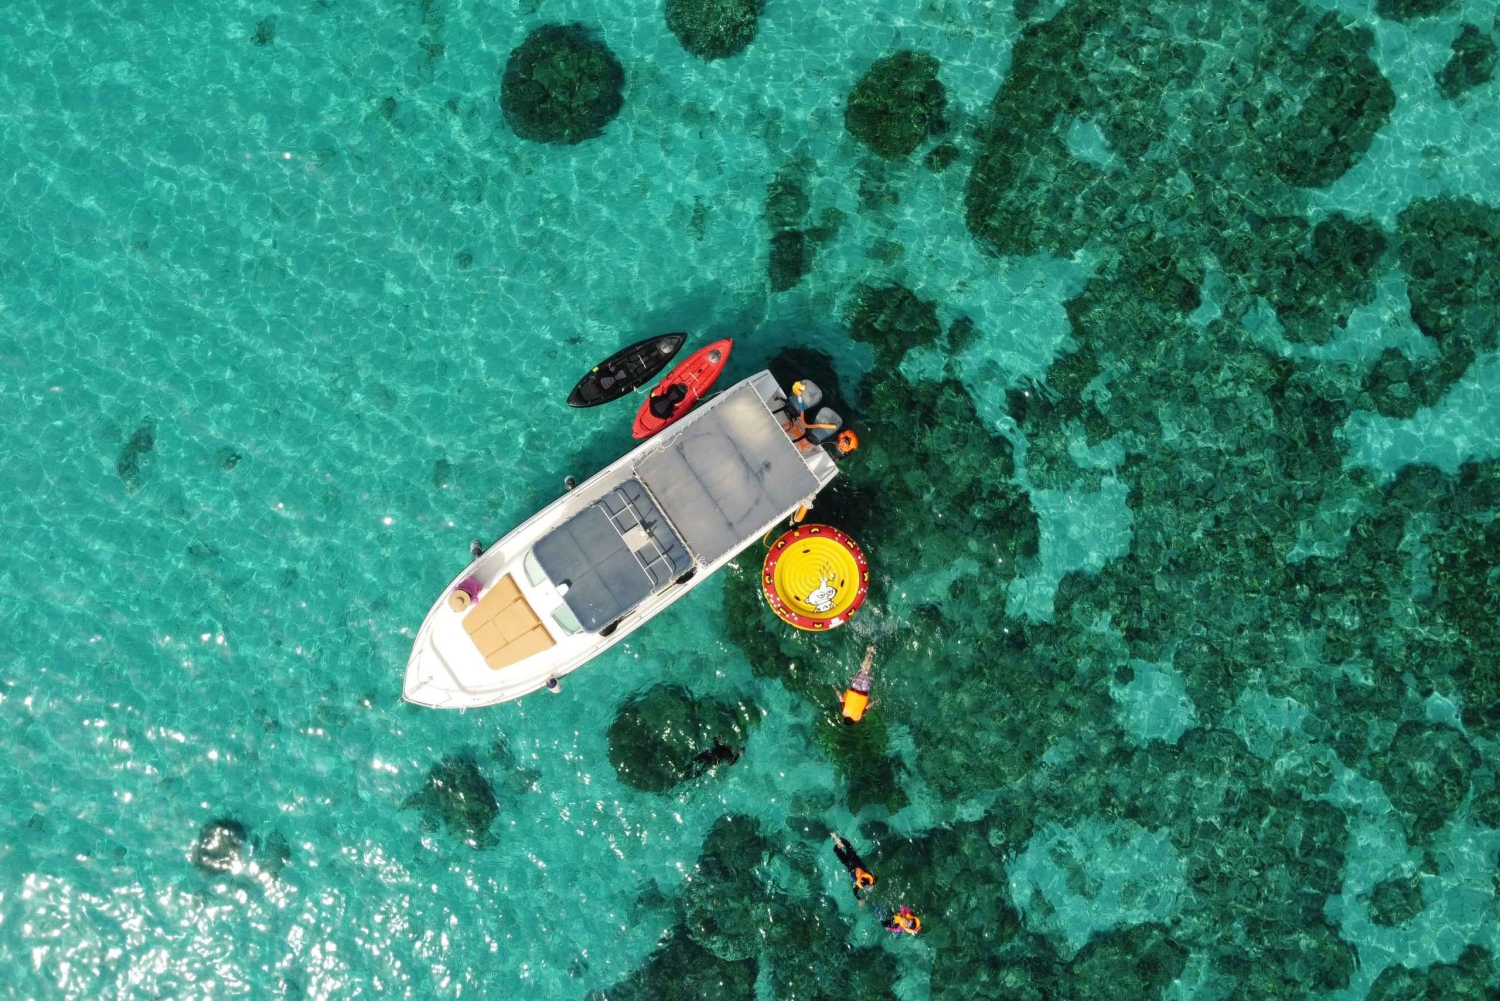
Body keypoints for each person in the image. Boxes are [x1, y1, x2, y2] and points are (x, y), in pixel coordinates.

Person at [830, 832, 876, 898]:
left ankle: (839, 841)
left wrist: (873, 883)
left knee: (846, 847)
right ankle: (837, 841)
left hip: (854, 862)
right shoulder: (859, 884)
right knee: (839, 848)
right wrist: (859, 899)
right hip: (851, 863)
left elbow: (876, 878)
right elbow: (855, 891)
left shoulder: (871, 877)